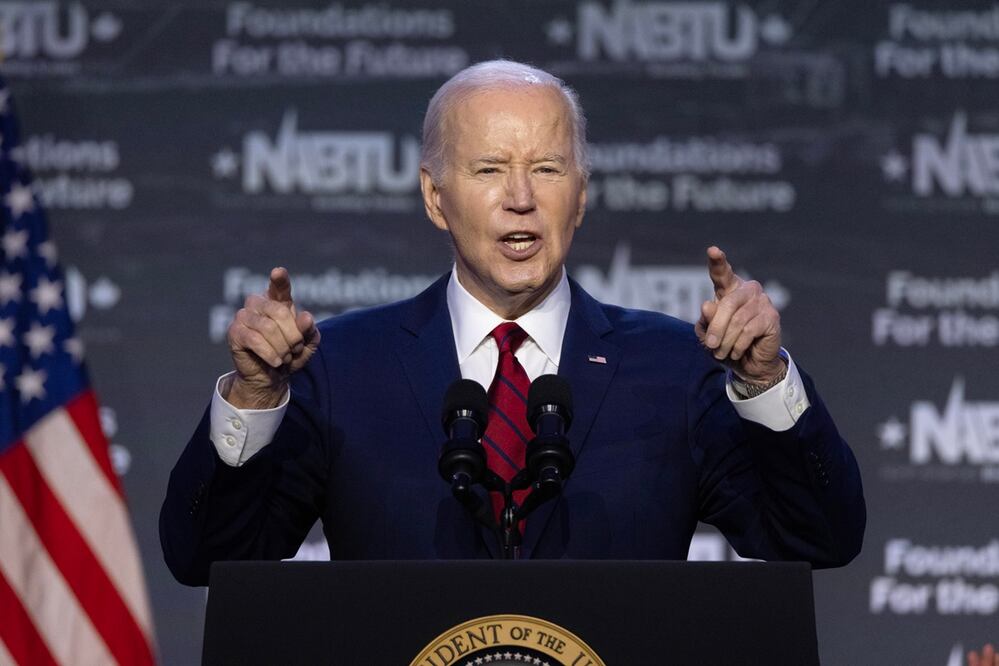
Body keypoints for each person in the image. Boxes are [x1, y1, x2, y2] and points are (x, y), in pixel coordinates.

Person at [160, 60, 865, 586]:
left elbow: (821, 538)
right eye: (490, 168)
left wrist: (765, 381)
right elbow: (206, 559)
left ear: (580, 197)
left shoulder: (674, 369)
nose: (521, 198)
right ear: (436, 199)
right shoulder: (343, 367)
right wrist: (254, 398)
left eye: (548, 169)